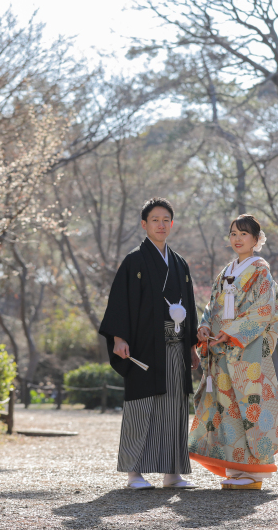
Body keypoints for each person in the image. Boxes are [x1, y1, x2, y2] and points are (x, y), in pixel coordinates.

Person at [99, 197, 201, 490]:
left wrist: (192, 346)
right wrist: (119, 338)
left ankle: (173, 473)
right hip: (143, 346)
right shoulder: (134, 260)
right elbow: (119, 301)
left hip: (176, 344)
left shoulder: (180, 263)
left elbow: (190, 307)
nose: (161, 224)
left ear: (172, 223)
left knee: (174, 407)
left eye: (166, 219)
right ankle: (134, 473)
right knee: (141, 406)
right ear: (144, 224)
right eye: (154, 220)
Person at [188, 214, 278, 490]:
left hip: (246, 350)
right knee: (227, 408)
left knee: (249, 407)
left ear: (257, 240)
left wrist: (234, 332)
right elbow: (211, 306)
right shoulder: (226, 271)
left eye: (244, 234)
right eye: (233, 233)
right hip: (222, 349)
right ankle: (236, 469)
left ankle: (254, 473)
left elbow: (265, 308)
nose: (237, 238)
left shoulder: (260, 271)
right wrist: (204, 326)